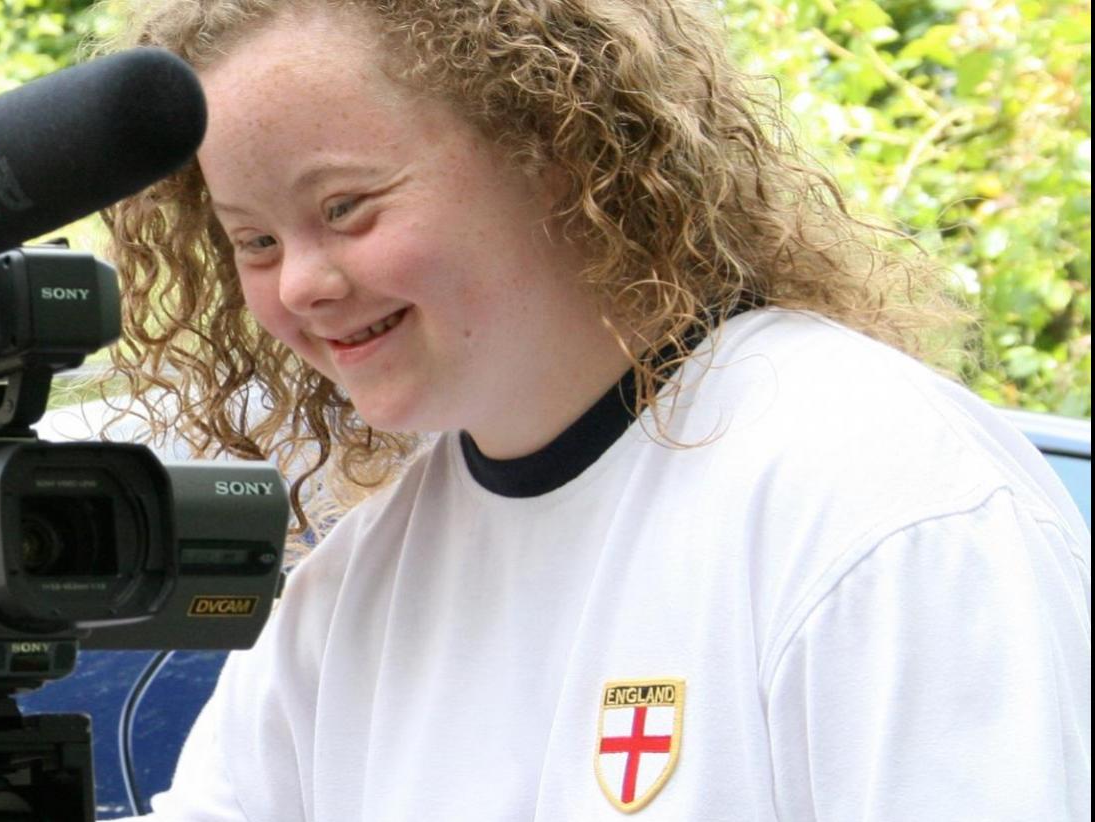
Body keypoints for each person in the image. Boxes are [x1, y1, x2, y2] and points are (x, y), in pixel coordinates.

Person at [98, 0, 1091, 818]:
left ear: (553, 149)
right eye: (255, 241)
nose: (302, 284)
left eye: (345, 207)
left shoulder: (880, 496)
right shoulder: (352, 589)